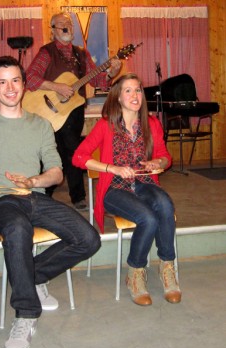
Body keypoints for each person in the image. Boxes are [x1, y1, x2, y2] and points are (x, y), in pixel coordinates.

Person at [0, 56, 100, 348]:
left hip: (34, 197)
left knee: (88, 238)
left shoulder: (41, 125)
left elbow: (56, 171)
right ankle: (26, 314)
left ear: (25, 85)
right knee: (16, 229)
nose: (10, 87)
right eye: (2, 82)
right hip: (0, 201)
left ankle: (33, 274)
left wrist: (34, 181)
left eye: (15, 80)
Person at [72, 73, 182, 306]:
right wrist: (112, 168)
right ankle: (135, 272)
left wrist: (158, 164)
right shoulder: (106, 125)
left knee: (165, 205)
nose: (135, 95)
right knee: (148, 219)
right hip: (114, 188)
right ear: (118, 98)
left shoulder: (151, 123)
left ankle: (167, 267)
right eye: (128, 91)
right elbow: (79, 157)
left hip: (144, 182)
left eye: (138, 90)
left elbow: (164, 157)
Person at [25, 12, 122, 210]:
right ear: (53, 30)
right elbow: (30, 78)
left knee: (73, 151)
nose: (66, 27)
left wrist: (111, 73)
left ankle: (78, 196)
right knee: (49, 151)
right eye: (61, 24)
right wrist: (56, 87)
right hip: (47, 109)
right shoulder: (46, 52)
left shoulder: (81, 53)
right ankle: (44, 194)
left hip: (74, 109)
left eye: (68, 24)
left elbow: (96, 80)